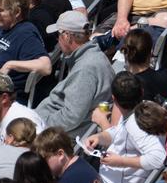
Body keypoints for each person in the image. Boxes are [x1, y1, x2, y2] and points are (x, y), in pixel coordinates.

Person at [36, 10, 115, 139]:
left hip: (53, 134)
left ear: (67, 36)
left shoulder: (86, 69)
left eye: (57, 35)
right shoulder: (93, 57)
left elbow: (71, 117)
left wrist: (37, 124)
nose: (57, 40)